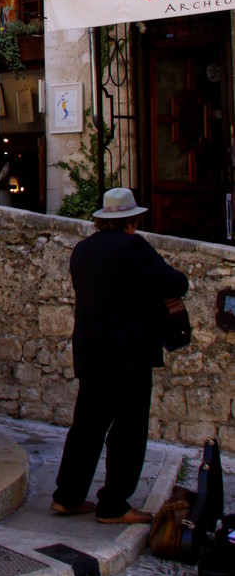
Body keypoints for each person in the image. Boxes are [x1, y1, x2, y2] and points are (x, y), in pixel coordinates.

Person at [52, 187, 189, 525]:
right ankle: (113, 503)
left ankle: (67, 496)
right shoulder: (134, 249)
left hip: (92, 353)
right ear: (131, 220)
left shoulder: (82, 252)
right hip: (130, 356)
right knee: (128, 432)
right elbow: (176, 282)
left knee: (86, 428)